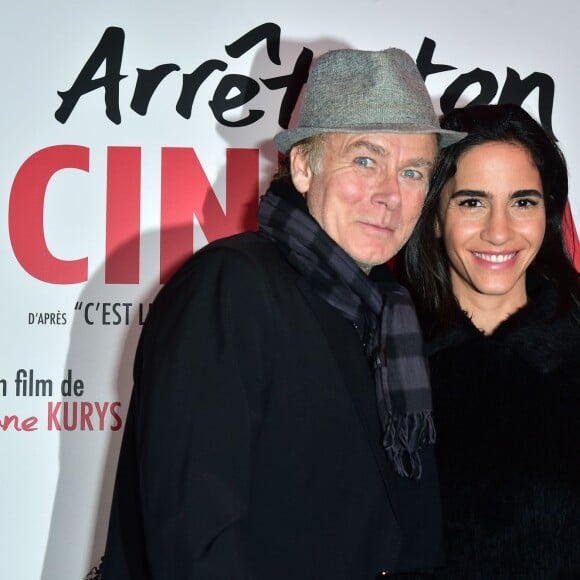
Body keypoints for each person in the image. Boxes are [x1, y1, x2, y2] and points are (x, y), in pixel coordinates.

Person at [101, 47, 465, 580]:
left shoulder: (390, 312)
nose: (390, 194)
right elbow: (195, 540)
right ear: (302, 166)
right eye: (366, 161)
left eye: (412, 172)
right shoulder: (231, 285)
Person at [398, 103, 580, 578]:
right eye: (472, 202)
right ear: (433, 216)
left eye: (523, 202)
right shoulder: (383, 353)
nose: (499, 233)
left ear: (549, 213)